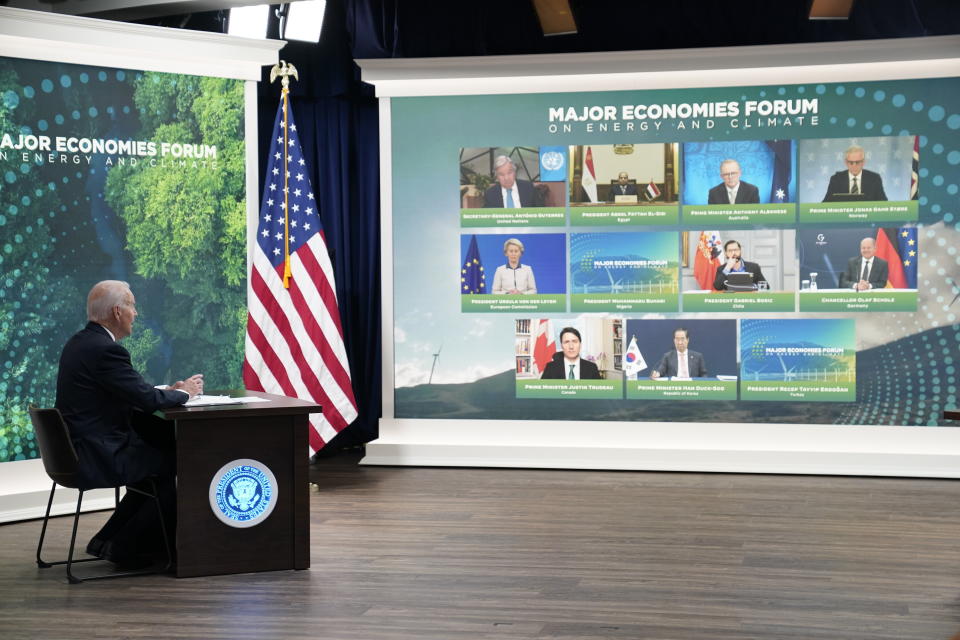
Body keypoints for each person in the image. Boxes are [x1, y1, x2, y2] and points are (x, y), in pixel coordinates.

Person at [55, 280, 203, 568]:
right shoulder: (106, 350)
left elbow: (129, 392)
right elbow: (144, 398)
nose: (136, 313)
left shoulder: (80, 342)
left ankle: (116, 543)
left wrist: (168, 393)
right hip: (98, 455)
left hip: (78, 451)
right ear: (117, 311)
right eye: (132, 306)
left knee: (157, 458)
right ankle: (133, 549)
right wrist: (186, 393)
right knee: (174, 459)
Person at [823, 145, 887, 202]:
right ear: (846, 162)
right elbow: (825, 205)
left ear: (863, 162)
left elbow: (884, 204)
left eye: (858, 162)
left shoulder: (874, 179)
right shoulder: (836, 179)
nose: (854, 166)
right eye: (851, 162)